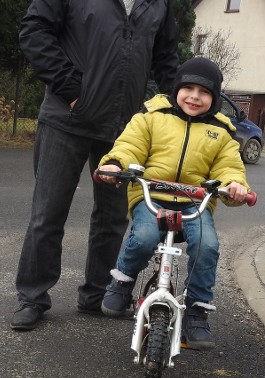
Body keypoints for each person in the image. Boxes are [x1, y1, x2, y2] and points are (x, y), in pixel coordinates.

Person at [10, 0, 179, 330]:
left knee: (112, 217)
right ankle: (33, 297)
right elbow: (34, 31)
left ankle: (98, 294)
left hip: (124, 128)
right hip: (67, 117)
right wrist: (71, 88)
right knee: (48, 213)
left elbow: (166, 59)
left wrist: (188, 103)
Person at [96, 58, 251, 350]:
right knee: (143, 237)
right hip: (152, 196)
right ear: (176, 89)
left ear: (215, 98)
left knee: (207, 246)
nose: (194, 96)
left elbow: (229, 166)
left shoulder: (220, 130)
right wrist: (116, 164)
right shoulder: (152, 116)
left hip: (195, 202)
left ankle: (197, 310)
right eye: (188, 88)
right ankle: (123, 281)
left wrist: (235, 186)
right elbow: (130, 144)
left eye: (204, 92)